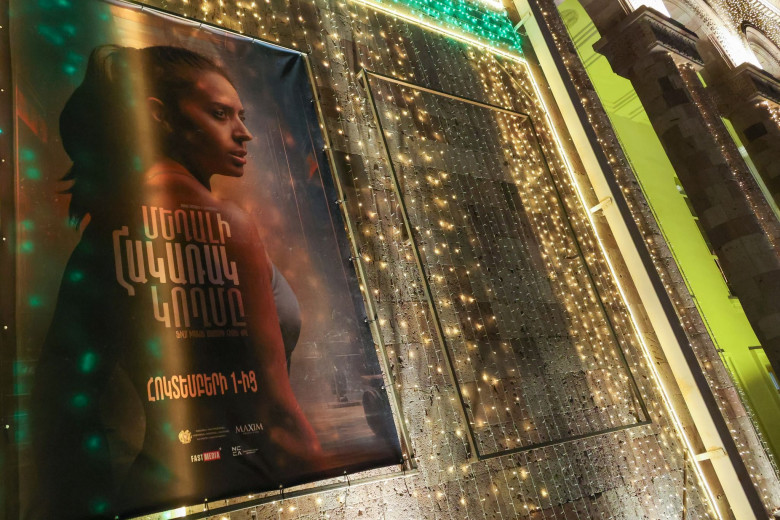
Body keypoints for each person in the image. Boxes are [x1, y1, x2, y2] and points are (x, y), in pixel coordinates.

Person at [30, 45, 321, 520]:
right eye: (220, 114)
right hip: (248, 485)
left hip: (157, 489)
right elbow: (277, 413)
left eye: (241, 115)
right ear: (159, 115)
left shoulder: (105, 233)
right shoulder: (229, 225)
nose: (244, 132)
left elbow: (61, 392)